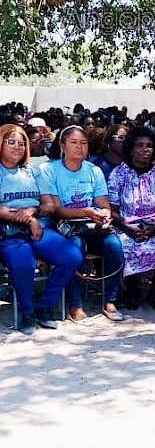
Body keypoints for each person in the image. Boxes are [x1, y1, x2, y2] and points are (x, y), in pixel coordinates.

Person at [0, 124, 83, 334]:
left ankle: (43, 307)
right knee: (24, 263)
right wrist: (28, 220)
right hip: (8, 232)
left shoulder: (32, 170)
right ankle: (26, 312)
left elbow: (49, 205)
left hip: (37, 226)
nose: (17, 147)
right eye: (11, 142)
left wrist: (32, 211)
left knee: (71, 256)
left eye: (22, 143)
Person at [38, 126, 125, 323]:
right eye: (74, 143)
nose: (79, 147)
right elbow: (57, 209)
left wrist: (104, 213)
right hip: (65, 227)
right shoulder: (49, 170)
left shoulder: (94, 171)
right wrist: (85, 211)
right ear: (62, 145)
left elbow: (103, 203)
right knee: (76, 249)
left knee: (114, 246)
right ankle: (75, 305)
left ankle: (110, 301)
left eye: (83, 143)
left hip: (92, 226)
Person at [108, 126, 155, 310]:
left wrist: (154, 227)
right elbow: (112, 210)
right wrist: (129, 229)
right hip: (125, 224)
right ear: (131, 148)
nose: (145, 149)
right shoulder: (118, 174)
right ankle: (132, 289)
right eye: (140, 145)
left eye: (149, 146)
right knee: (124, 246)